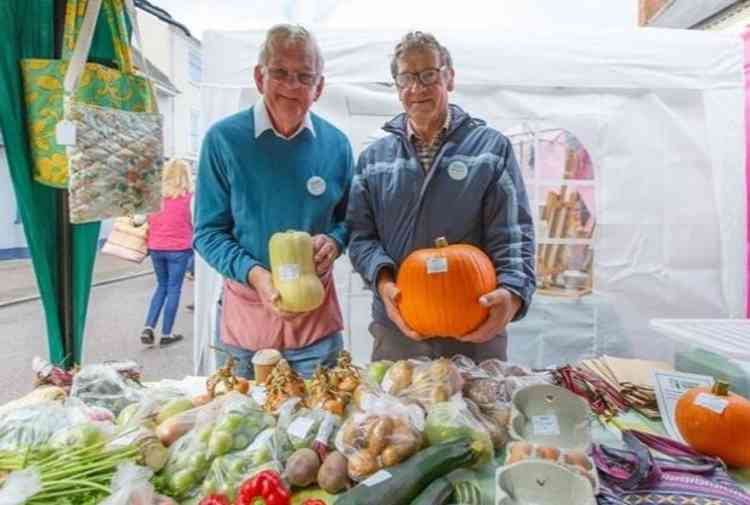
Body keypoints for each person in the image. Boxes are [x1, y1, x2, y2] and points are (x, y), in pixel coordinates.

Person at [347, 31, 536, 363]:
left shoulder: (491, 148)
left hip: (476, 327)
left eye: (428, 75)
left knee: (479, 414)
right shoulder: (374, 159)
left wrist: (512, 294)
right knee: (394, 414)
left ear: (449, 77)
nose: (417, 88)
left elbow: (513, 233)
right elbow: (361, 236)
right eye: (406, 77)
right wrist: (384, 282)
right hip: (398, 328)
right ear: (396, 86)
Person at [194, 24, 353, 379]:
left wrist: (336, 240)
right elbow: (207, 233)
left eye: (304, 76)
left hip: (317, 329)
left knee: (319, 423)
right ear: (259, 76)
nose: (291, 85)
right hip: (246, 324)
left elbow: (350, 220)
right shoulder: (224, 141)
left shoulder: (337, 145)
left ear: (319, 87)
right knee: (245, 425)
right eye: (279, 72)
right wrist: (257, 276)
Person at [141, 159, 194, 347]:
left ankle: (148, 326)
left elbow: (144, 220)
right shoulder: (189, 198)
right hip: (179, 249)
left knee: (161, 286)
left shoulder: (155, 198)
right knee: (173, 289)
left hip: (156, 247)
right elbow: (195, 223)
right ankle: (166, 333)